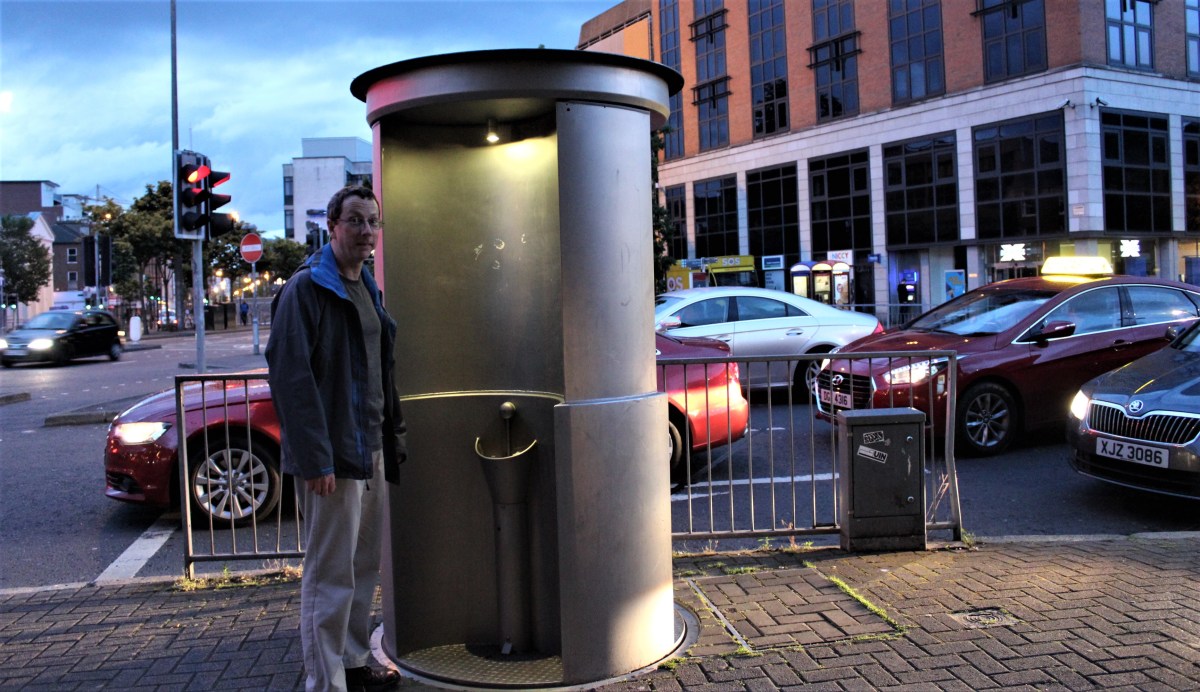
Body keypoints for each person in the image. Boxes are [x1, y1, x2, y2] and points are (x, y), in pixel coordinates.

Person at [266, 185, 406, 692]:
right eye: (355, 221)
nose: (366, 231)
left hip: (368, 449)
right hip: (332, 460)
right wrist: (315, 459)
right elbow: (290, 379)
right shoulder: (307, 288)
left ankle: (350, 659)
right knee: (328, 576)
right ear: (332, 225)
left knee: (362, 568)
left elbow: (378, 372)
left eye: (372, 221)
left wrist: (393, 436)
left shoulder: (364, 284)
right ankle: (324, 681)